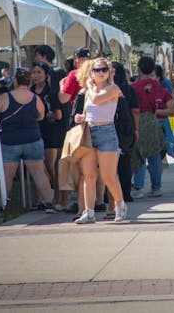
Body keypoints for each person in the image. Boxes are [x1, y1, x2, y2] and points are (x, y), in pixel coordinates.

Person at [72, 58, 127, 224]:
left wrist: (89, 85)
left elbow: (97, 99)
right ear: (91, 72)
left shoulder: (113, 88)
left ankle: (119, 203)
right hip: (89, 131)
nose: (100, 72)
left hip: (107, 132)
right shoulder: (89, 90)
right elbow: (88, 109)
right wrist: (80, 117)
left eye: (103, 69)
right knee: (88, 175)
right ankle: (89, 212)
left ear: (109, 72)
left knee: (108, 175)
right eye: (97, 70)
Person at [0, 68, 56, 214]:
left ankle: (1, 206)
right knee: (39, 173)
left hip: (9, 141)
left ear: (15, 80)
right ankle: (49, 203)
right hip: (33, 140)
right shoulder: (36, 98)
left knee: (7, 175)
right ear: (29, 82)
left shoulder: (5, 97)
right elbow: (41, 116)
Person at [131, 55, 174, 198]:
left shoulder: (134, 86)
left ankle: (138, 186)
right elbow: (167, 105)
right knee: (155, 155)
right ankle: (156, 187)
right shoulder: (157, 85)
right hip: (153, 119)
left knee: (139, 154)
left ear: (138, 68)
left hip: (138, 120)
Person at [31, 61, 68, 208]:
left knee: (52, 165)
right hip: (36, 129)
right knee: (42, 166)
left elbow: (58, 114)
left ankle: (56, 196)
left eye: (39, 72)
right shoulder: (31, 91)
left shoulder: (51, 92)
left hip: (52, 130)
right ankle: (46, 196)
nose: (36, 75)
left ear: (46, 75)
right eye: (33, 72)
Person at [112, 62, 140, 204]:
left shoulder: (105, 90)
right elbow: (135, 111)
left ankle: (109, 195)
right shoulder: (129, 90)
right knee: (124, 162)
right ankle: (126, 193)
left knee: (109, 163)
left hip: (111, 126)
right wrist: (136, 129)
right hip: (126, 127)